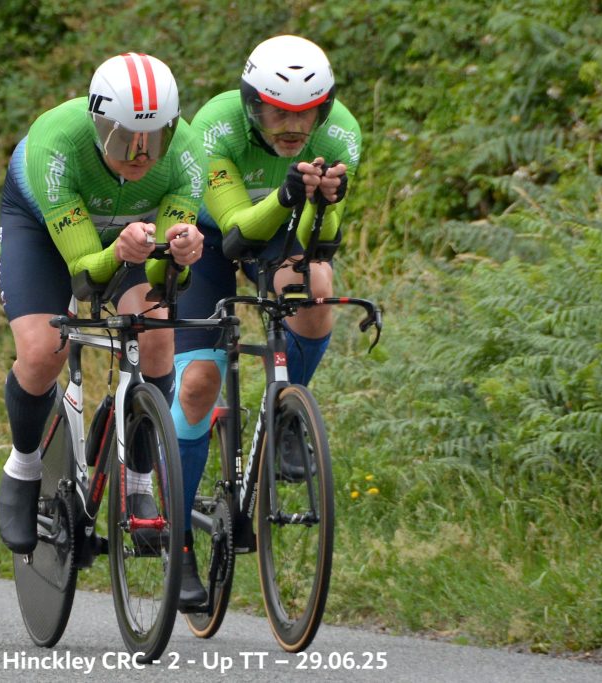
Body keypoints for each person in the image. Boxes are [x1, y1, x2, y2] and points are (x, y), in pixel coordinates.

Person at [172, 35, 362, 608]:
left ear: (325, 109)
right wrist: (285, 195)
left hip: (279, 229)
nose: (293, 126)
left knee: (316, 288)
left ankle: (285, 415)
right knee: (198, 382)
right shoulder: (216, 126)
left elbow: (321, 244)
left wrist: (324, 205)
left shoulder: (341, 133)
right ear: (252, 103)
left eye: (307, 114)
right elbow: (234, 233)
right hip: (207, 237)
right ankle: (178, 540)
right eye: (277, 111)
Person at [0, 53, 205, 556]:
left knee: (157, 339)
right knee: (42, 351)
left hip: (131, 232)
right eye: (124, 137)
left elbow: (162, 278)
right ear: (98, 124)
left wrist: (181, 256)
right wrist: (118, 253)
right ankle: (23, 465)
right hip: (46, 231)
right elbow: (85, 276)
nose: (140, 153)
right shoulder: (56, 143)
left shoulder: (186, 153)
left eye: (154, 138)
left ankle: (139, 481)